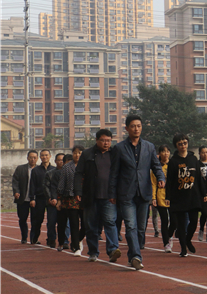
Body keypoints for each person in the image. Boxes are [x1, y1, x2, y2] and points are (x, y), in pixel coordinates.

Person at [109, 115, 165, 270]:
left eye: (139, 126)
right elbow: (113, 173)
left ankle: (133, 255)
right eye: (133, 126)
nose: (136, 129)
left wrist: (161, 178)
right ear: (127, 128)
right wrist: (112, 193)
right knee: (131, 226)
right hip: (126, 194)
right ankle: (136, 256)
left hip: (144, 193)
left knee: (141, 228)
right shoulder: (119, 148)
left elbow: (156, 166)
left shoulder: (149, 147)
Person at [75, 129, 121, 263]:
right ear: (96, 140)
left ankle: (113, 250)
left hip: (109, 196)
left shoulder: (115, 154)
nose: (106, 143)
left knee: (110, 222)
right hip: (91, 196)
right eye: (103, 140)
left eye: (108, 141)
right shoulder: (87, 154)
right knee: (91, 226)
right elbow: (78, 173)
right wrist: (78, 191)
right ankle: (93, 252)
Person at [166, 133, 206, 257]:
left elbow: (199, 178)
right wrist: (168, 197)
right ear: (176, 146)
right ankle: (183, 248)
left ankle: (188, 240)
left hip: (193, 195)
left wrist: (204, 193)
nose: (183, 146)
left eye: (185, 143)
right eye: (180, 144)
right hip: (179, 197)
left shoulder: (193, 159)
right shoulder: (173, 161)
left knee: (194, 221)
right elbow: (170, 181)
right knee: (181, 224)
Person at [57, 145, 86, 256]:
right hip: (70, 198)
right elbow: (61, 184)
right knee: (74, 223)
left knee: (86, 223)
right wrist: (59, 199)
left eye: (79, 153)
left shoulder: (87, 165)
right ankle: (76, 247)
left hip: (84, 198)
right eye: (75, 153)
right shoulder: (66, 167)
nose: (77, 155)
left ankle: (77, 240)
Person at [28, 149, 54, 245]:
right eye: (42, 155)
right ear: (40, 157)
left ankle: (51, 239)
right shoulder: (35, 170)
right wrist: (32, 198)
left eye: (46, 155)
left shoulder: (54, 169)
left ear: (50, 156)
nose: (44, 157)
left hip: (51, 198)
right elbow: (32, 185)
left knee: (51, 220)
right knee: (37, 220)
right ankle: (34, 238)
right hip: (39, 198)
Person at [152, 145, 175, 252]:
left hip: (173, 196)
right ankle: (166, 243)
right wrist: (153, 198)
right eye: (163, 151)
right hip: (160, 196)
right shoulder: (156, 167)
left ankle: (169, 236)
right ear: (159, 153)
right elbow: (153, 183)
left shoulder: (173, 165)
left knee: (174, 220)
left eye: (167, 151)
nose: (166, 153)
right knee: (164, 220)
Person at [12, 150, 38, 244]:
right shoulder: (20, 169)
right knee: (22, 219)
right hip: (23, 199)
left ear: (37, 158)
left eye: (34, 157)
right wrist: (16, 192)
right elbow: (15, 181)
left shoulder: (39, 169)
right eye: (31, 157)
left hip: (35, 200)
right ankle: (24, 237)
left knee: (35, 220)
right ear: (27, 158)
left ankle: (34, 238)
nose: (32, 159)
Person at [44, 153, 65, 248]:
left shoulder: (68, 173)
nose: (61, 162)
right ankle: (52, 239)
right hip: (52, 202)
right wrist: (51, 198)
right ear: (55, 161)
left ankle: (64, 241)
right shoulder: (50, 173)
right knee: (51, 222)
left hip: (64, 202)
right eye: (59, 160)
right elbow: (47, 187)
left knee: (65, 223)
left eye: (63, 160)